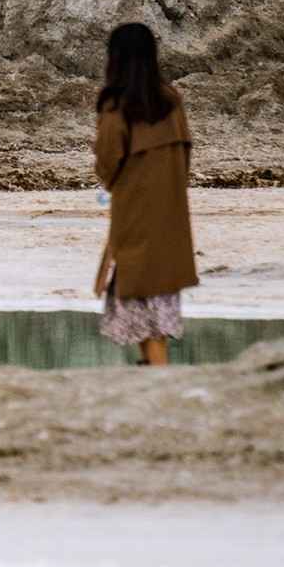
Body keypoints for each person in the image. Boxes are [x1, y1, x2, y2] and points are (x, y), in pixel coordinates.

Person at [92, 23, 198, 366]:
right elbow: (184, 162)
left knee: (143, 320)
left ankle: (161, 391)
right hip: (170, 223)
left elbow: (107, 166)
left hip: (134, 223)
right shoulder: (172, 102)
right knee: (156, 316)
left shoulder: (116, 107)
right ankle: (153, 380)